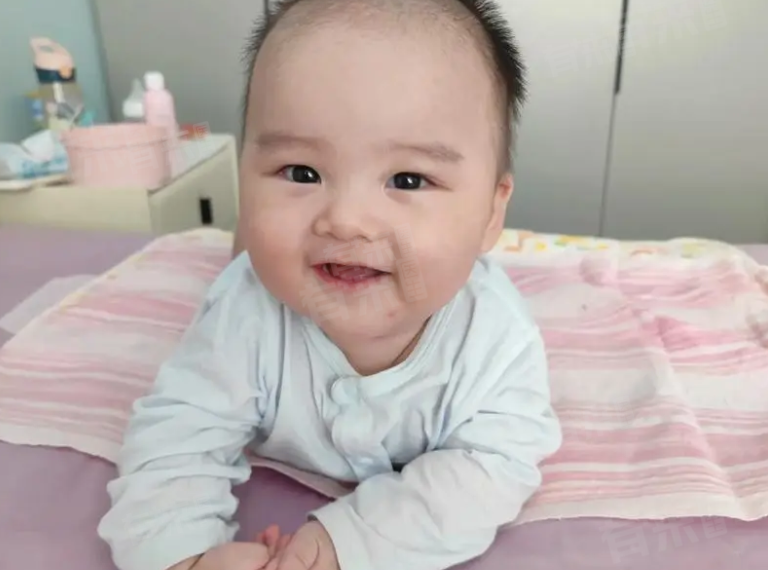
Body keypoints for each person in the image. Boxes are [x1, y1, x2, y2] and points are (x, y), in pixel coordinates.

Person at [97, 1, 562, 570]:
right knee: (252, 262)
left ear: (491, 213)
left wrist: (348, 543)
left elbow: (494, 465)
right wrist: (182, 553)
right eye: (302, 173)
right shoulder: (246, 314)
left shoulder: (494, 339)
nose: (346, 220)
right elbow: (176, 435)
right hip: (269, 270)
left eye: (408, 180)